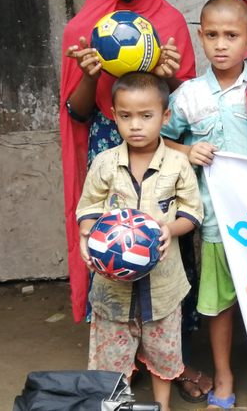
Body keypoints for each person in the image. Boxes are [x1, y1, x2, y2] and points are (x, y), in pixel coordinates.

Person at [58, 0, 211, 403]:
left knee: (169, 249)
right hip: (109, 143)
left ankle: (171, 357)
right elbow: (77, 111)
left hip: (165, 149)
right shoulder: (82, 29)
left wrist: (169, 77)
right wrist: (90, 72)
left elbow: (185, 103)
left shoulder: (169, 22)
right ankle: (123, 361)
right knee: (114, 244)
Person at [159, 0, 247, 408]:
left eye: (231, 35)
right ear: (200, 38)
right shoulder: (188, 96)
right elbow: (158, 139)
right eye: (212, 35)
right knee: (219, 304)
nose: (221, 44)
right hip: (215, 219)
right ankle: (224, 377)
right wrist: (186, 151)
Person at [75, 72, 203, 411]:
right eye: (126, 116)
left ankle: (163, 406)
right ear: (114, 116)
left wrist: (170, 229)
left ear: (165, 116)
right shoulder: (104, 163)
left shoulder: (178, 164)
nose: (135, 125)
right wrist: (87, 233)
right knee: (113, 358)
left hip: (162, 288)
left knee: (164, 353)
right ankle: (116, 405)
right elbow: (89, 207)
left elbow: (193, 212)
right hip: (112, 289)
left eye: (146, 116)